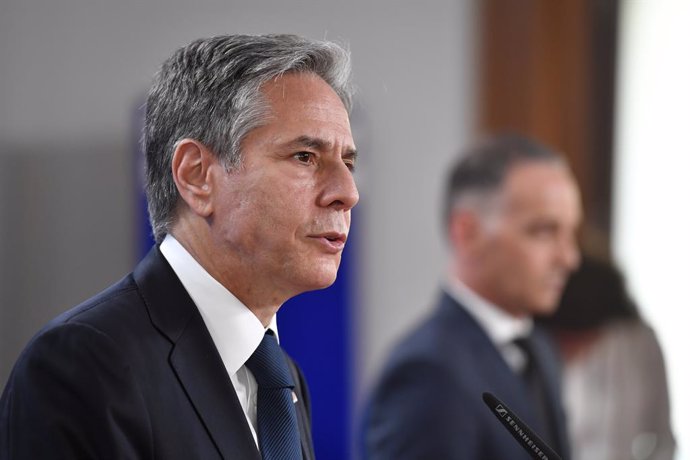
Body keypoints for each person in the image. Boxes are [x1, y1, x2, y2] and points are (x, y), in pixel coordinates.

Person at [0, 34, 359, 460]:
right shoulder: (84, 365)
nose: (347, 192)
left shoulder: (282, 379)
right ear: (196, 176)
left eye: (348, 162)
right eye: (305, 156)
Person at [362, 134, 581, 459]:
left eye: (571, 232)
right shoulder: (428, 374)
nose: (568, 258)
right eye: (544, 231)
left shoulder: (539, 349)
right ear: (467, 233)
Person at [539, 254, 676, 460]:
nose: (571, 347)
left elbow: (662, 437)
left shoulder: (636, 342)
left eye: (578, 338)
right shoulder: (536, 352)